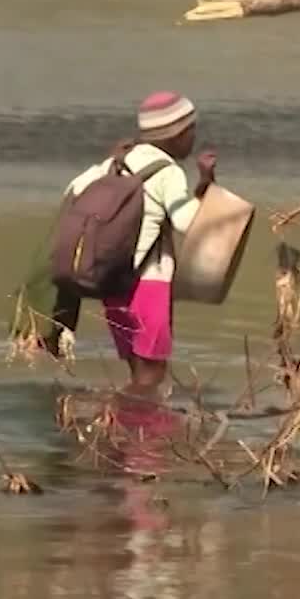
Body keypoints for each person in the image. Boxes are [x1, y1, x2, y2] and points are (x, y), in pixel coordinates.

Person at [64, 91, 217, 395]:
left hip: (111, 281)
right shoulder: (167, 171)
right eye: (191, 131)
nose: (193, 138)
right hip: (149, 284)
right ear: (177, 134)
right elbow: (188, 224)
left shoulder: (114, 162)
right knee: (153, 371)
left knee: (137, 367)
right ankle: (143, 434)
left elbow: (73, 192)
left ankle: (124, 432)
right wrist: (208, 189)